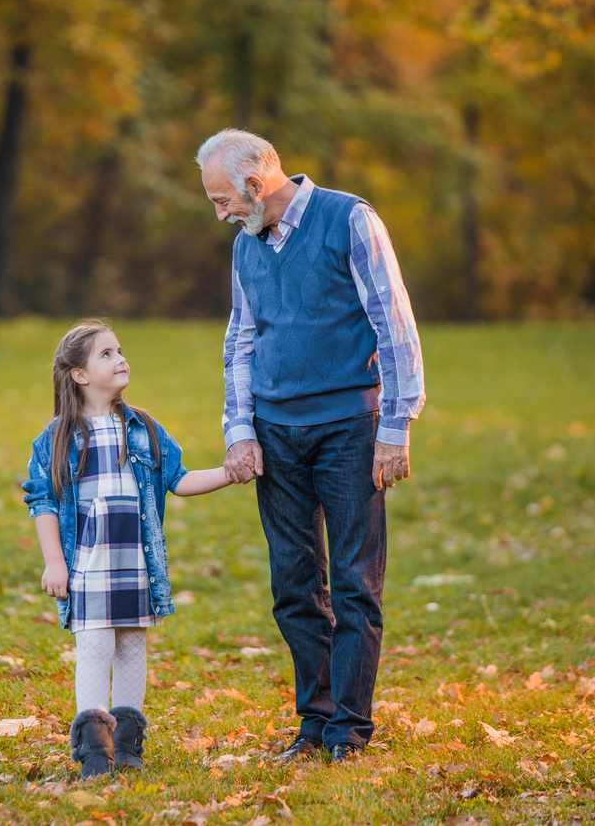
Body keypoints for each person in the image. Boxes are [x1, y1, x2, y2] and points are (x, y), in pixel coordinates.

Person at [196, 128, 425, 764]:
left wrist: (395, 426)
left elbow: (393, 321)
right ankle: (315, 721)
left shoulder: (349, 220)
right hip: (275, 434)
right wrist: (238, 429)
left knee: (354, 581)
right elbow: (240, 341)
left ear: (253, 184)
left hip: (349, 428)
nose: (219, 215)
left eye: (222, 200)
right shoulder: (247, 248)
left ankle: (350, 730)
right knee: (295, 585)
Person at [22, 319, 235, 778]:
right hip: (89, 565)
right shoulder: (57, 438)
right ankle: (94, 751)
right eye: (106, 354)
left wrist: (229, 472)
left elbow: (179, 480)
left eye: (120, 351)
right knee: (95, 646)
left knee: (132, 645)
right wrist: (54, 562)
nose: (121, 359)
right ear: (79, 375)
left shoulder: (144, 429)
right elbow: (42, 501)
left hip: (135, 565)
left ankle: (127, 745)